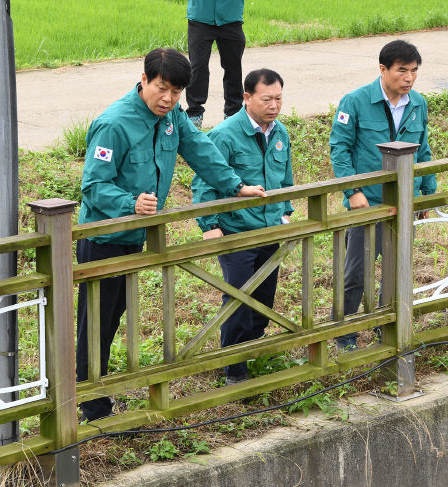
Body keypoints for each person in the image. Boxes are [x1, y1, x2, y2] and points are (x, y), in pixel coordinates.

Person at [77, 48, 266, 422]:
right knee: (95, 323)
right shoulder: (114, 124)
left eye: (177, 92)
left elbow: (199, 149)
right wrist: (130, 203)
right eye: (162, 89)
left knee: (114, 318)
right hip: (103, 240)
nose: (168, 99)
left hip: (135, 236)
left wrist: (235, 185)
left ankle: (100, 391)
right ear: (144, 80)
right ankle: (89, 404)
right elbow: (93, 186)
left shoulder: (172, 118)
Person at [329, 40, 436, 351]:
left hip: (405, 202)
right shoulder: (356, 102)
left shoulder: (418, 103)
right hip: (369, 202)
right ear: (383, 69)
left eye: (414, 72)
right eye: (402, 71)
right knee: (356, 273)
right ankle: (346, 334)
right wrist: (353, 191)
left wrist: (427, 190)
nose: (409, 78)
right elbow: (340, 150)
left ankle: (386, 329)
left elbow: (423, 151)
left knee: (396, 270)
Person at [192, 68, 293, 385]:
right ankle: (234, 366)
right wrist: (209, 224)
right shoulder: (224, 135)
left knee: (265, 295)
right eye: (266, 99)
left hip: (270, 229)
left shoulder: (280, 133)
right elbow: (204, 182)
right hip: (236, 230)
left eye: (278, 98)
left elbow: (285, 178)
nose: (273, 105)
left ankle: (251, 347)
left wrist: (286, 211)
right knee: (238, 296)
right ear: (246, 98)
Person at [185, 0, 246, 128]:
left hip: (231, 18)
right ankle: (194, 113)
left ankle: (233, 113)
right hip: (200, 18)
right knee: (198, 66)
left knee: (233, 68)